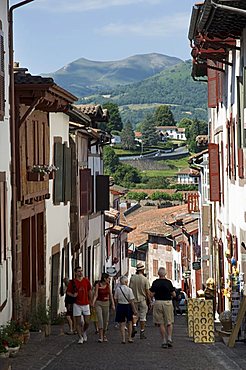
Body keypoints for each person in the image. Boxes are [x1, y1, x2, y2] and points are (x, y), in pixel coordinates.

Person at [149, 267, 176, 349]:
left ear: (158, 274)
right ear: (166, 274)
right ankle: (169, 338)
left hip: (158, 302)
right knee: (169, 322)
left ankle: (164, 340)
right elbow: (174, 294)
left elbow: (151, 294)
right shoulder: (168, 282)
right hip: (167, 302)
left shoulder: (155, 282)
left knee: (160, 323)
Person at [66, 266, 92, 344]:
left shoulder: (86, 281)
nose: (80, 272)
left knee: (87, 322)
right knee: (78, 322)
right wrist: (73, 295)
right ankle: (80, 337)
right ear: (75, 273)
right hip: (77, 304)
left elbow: (89, 291)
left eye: (81, 271)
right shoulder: (72, 282)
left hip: (86, 303)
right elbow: (68, 292)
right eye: (79, 271)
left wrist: (91, 301)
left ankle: (83, 331)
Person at [129, 262, 150, 339]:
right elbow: (147, 291)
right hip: (142, 299)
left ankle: (134, 326)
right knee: (143, 316)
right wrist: (150, 301)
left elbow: (130, 289)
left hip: (134, 299)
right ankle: (142, 331)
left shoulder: (132, 278)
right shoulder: (145, 279)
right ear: (142, 270)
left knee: (134, 314)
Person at [92, 273, 115, 342]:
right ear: (105, 279)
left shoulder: (108, 285)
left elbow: (111, 295)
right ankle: (100, 336)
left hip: (106, 303)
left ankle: (104, 335)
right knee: (100, 319)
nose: (109, 280)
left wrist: (113, 304)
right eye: (108, 279)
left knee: (106, 321)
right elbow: (96, 294)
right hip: (98, 303)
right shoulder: (97, 285)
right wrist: (93, 303)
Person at [114, 275, 137, 344]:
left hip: (120, 306)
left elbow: (115, 299)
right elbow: (131, 301)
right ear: (126, 282)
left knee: (122, 323)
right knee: (129, 322)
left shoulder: (118, 289)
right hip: (128, 306)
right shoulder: (129, 290)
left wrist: (116, 306)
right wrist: (134, 310)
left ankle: (123, 339)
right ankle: (129, 338)